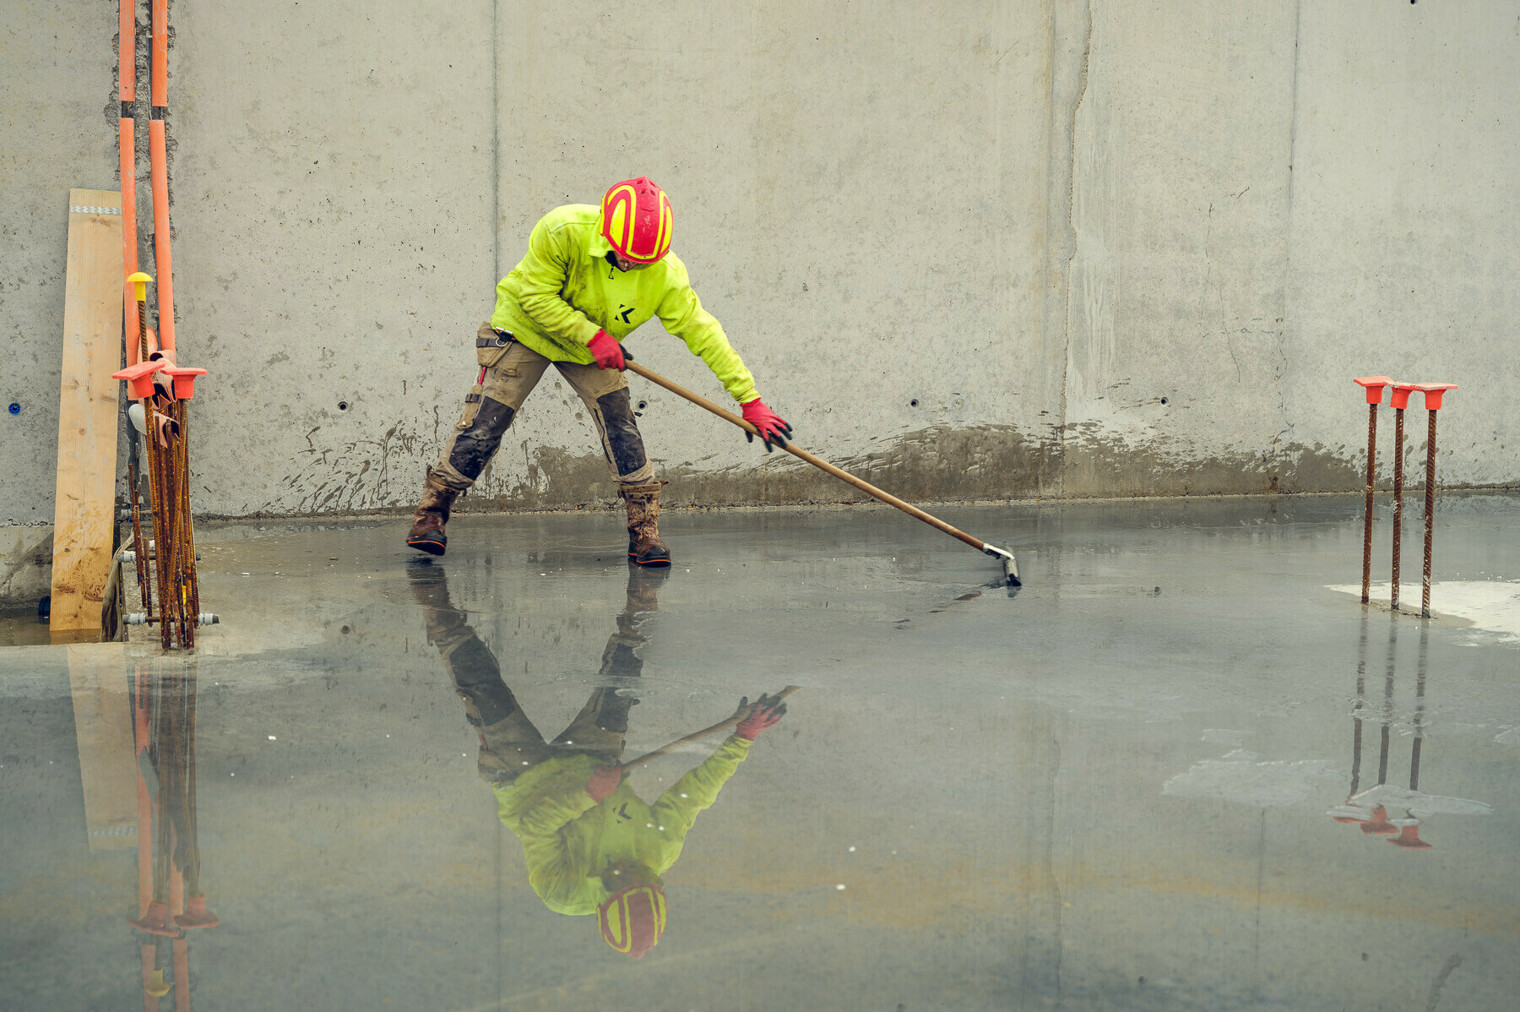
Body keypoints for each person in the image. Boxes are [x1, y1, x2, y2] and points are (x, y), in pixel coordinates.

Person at [407, 561, 789, 959]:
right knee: (624, 675)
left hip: (523, 778)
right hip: (593, 760)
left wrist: (588, 796)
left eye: (625, 879)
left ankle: (431, 598)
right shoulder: (659, 852)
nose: (634, 869)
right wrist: (743, 738)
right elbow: (696, 794)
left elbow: (534, 826)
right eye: (646, 878)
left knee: (481, 684)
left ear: (603, 902)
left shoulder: (562, 892)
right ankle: (644, 592)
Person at [407, 177, 793, 565]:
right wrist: (592, 336)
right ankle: (432, 514)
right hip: (525, 329)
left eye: (640, 263)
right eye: (623, 256)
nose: (629, 266)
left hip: (591, 347)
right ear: (605, 230)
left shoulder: (667, 275)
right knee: (487, 422)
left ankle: (644, 533)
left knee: (621, 425)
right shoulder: (561, 229)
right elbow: (535, 297)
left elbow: (707, 335)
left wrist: (750, 401)